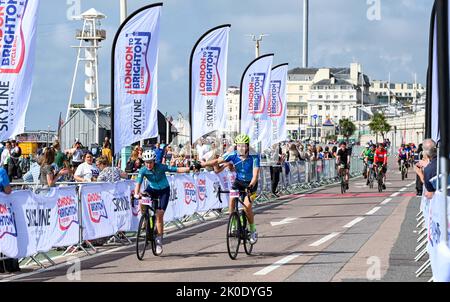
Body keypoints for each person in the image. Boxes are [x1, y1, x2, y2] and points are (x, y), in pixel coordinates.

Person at [134, 149, 196, 255]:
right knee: (142, 200)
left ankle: (159, 241)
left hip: (164, 191)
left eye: (150, 162)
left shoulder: (161, 167)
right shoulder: (143, 170)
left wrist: (189, 168)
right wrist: (136, 193)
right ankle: (145, 218)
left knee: (159, 214)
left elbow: (176, 169)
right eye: (146, 162)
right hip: (152, 189)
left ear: (154, 161)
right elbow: (138, 184)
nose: (148, 165)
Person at [201, 134, 260, 244]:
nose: (241, 148)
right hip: (238, 182)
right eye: (238, 146)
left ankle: (253, 230)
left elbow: (255, 175)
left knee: (246, 207)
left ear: (247, 146)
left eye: (243, 146)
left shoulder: (254, 156)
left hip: (251, 184)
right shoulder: (233, 154)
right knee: (232, 200)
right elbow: (216, 161)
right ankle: (233, 224)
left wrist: (250, 186)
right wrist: (202, 164)